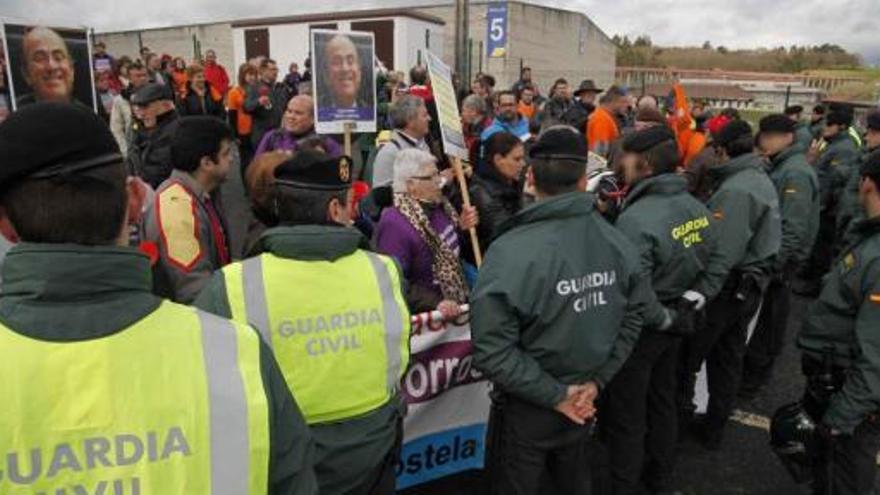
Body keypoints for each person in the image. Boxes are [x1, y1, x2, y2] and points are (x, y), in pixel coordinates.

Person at [0, 102, 318, 495]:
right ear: (134, 199)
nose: (233, 159)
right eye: (226, 153)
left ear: (6, 226)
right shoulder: (236, 351)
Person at [195, 150, 410, 495]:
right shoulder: (383, 269)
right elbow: (399, 358)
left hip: (282, 468)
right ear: (334, 210)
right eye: (349, 203)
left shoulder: (232, 284)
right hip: (372, 459)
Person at [471, 125, 648, 495]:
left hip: (533, 406)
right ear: (585, 180)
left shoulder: (508, 251)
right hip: (583, 397)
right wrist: (592, 385)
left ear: (530, 178)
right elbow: (635, 315)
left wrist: (563, 394)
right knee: (574, 478)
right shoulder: (616, 241)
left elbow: (490, 349)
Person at [604, 125, 715, 495]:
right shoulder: (696, 206)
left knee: (628, 415)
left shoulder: (637, 219)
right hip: (677, 321)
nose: (621, 165)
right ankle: (661, 474)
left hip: (645, 329)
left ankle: (624, 483)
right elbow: (711, 259)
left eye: (627, 159)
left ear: (645, 164)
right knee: (663, 398)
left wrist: (663, 318)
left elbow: (634, 291)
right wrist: (688, 304)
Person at [680, 120, 781, 450]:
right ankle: (714, 427)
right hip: (747, 285)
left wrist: (701, 294)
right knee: (727, 360)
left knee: (691, 359)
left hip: (727, 287)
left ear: (721, 150)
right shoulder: (756, 179)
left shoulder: (737, 190)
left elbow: (723, 251)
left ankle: (680, 425)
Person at [795, 149, 880, 495]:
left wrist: (842, 416)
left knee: (845, 471)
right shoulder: (868, 238)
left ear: (866, 184)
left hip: (852, 394)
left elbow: (877, 354)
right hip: (837, 378)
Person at [740, 115, 820, 398]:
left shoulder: (794, 172)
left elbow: (792, 227)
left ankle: (755, 377)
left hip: (780, 264)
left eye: (771, 136)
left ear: (788, 137)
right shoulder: (784, 165)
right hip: (775, 259)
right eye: (764, 135)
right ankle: (754, 371)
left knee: (769, 321)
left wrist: (773, 265)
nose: (764, 141)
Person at [374, 148, 478, 315]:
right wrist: (436, 304)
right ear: (411, 185)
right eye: (432, 177)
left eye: (438, 175)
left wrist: (463, 229)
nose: (440, 181)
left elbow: (451, 252)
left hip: (458, 311)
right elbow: (394, 282)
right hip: (430, 324)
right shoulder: (394, 225)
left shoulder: (439, 205)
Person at [143, 116, 233, 303]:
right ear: (206, 163)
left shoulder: (200, 193)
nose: (232, 159)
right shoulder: (176, 206)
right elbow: (194, 289)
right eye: (226, 153)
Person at [801, 105, 860, 295]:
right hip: (822, 204)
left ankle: (816, 284)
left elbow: (834, 181)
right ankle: (809, 274)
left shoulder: (845, 149)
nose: (825, 128)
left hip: (829, 209)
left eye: (830, 125)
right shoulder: (834, 145)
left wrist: (822, 205)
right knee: (818, 244)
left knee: (823, 249)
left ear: (841, 127)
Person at [470, 131, 525, 252]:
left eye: (522, 158)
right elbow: (509, 236)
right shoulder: (482, 194)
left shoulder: (510, 180)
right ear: (498, 159)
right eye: (517, 159)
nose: (523, 164)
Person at [838, 110, 880, 248]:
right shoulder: (865, 155)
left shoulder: (874, 164)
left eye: (873, 133)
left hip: (858, 233)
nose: (867, 137)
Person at [371, 95, 432, 188]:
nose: (429, 118)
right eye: (424, 115)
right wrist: (440, 182)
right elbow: (381, 197)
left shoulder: (422, 143)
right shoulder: (389, 152)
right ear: (410, 121)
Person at [126, 82, 179, 189]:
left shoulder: (176, 131)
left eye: (145, 107)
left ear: (166, 105)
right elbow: (131, 159)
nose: (141, 114)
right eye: (137, 108)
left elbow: (160, 170)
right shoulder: (137, 127)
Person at [256, 95, 342, 157]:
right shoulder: (272, 137)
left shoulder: (327, 143)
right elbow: (256, 172)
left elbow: (339, 176)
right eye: (289, 111)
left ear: (313, 118)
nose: (291, 117)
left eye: (298, 113)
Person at [16, 26, 76, 107]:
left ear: (71, 69)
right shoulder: (12, 116)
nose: (51, 66)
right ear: (26, 74)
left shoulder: (90, 116)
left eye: (58, 57)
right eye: (39, 59)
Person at [479, 90, 529, 174]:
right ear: (498, 107)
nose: (508, 108)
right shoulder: (489, 132)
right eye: (504, 105)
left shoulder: (529, 127)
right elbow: (483, 161)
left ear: (517, 105)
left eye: (511, 105)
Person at [246, 58, 290, 150]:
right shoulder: (254, 87)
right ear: (263, 71)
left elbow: (286, 108)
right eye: (272, 69)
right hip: (262, 135)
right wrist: (258, 102)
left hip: (279, 135)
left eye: (276, 69)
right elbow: (247, 107)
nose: (275, 72)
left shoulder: (281, 88)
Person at [109, 62, 148, 158]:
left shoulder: (158, 96)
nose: (143, 78)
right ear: (129, 78)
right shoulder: (120, 100)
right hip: (132, 150)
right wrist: (125, 152)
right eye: (138, 76)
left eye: (144, 75)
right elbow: (116, 129)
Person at [319, 34, 366, 109]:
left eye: (350, 61)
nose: (345, 68)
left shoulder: (370, 112)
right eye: (336, 62)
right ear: (326, 75)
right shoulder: (316, 111)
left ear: (359, 71)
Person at [588, 85, 628, 156]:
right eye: (623, 102)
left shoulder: (606, 117)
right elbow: (599, 154)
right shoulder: (601, 119)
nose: (627, 105)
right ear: (613, 102)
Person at [462, 94, 492, 167]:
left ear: (473, 112)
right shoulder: (467, 124)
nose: (462, 114)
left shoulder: (489, 131)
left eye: (464, 110)